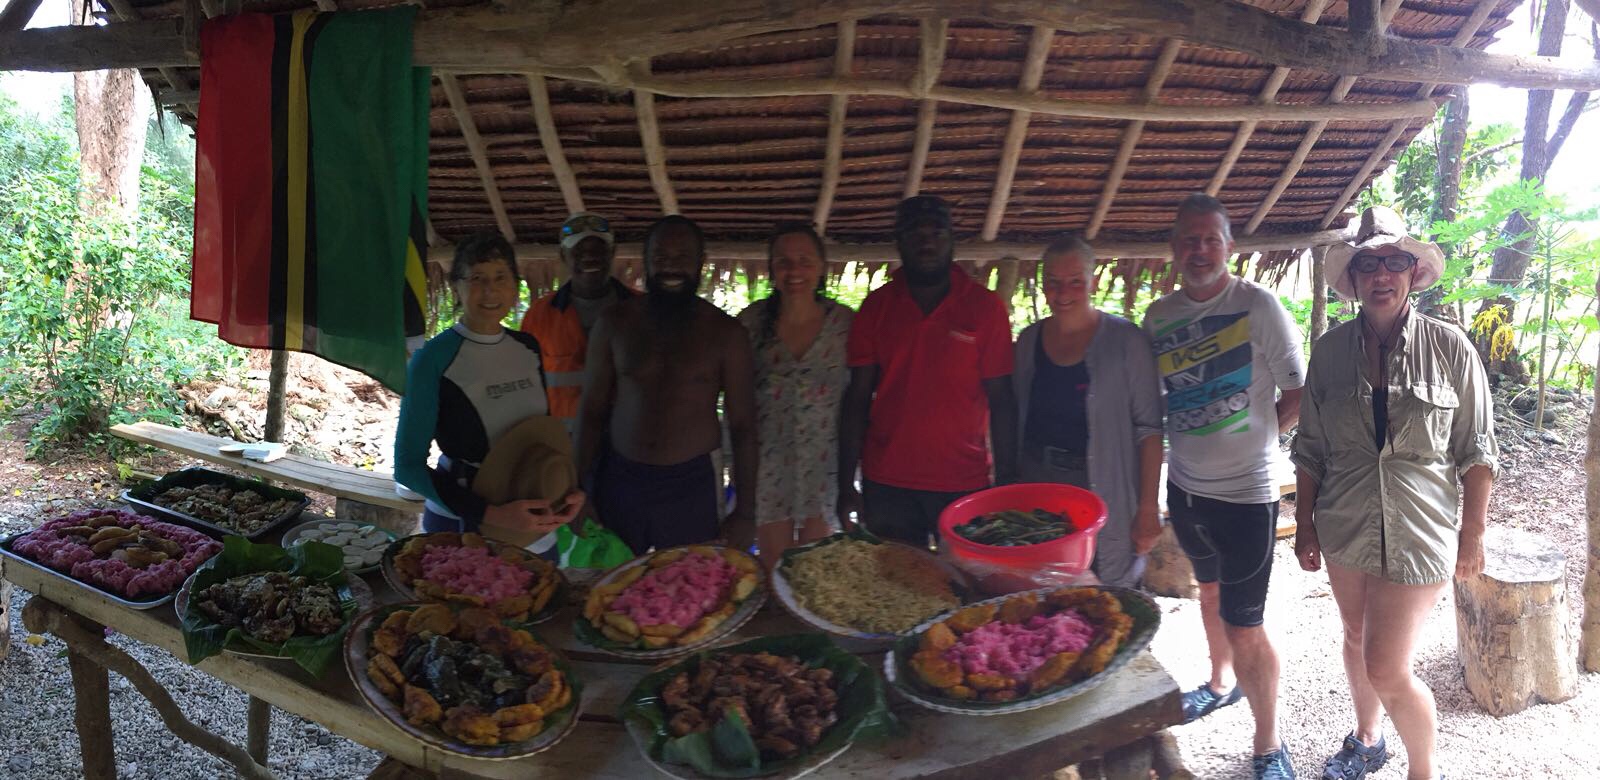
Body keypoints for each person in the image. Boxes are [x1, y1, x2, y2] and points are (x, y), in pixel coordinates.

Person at [1292, 206, 1496, 780]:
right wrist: (1304, 524)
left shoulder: (1451, 347)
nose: (1381, 274)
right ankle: (1368, 738)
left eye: (1395, 262)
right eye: (1368, 264)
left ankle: (1423, 770)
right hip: (1344, 523)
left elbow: (1478, 450)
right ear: (1353, 277)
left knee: (1386, 664)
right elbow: (1310, 448)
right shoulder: (1329, 352)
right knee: (1355, 635)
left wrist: (1473, 534)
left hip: (1421, 527)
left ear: (1413, 272)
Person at [1143, 193, 1304, 779]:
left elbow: (1298, 391)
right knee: (1208, 595)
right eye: (1189, 239)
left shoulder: (1259, 306)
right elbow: (1154, 404)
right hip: (1186, 491)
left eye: (1211, 239)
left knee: (1246, 623)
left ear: (1229, 247)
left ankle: (1269, 743)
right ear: (1174, 248)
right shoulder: (1158, 318)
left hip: (1246, 497)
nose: (1200, 250)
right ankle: (1219, 683)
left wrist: (1260, 442)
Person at [838, 195, 1018, 546]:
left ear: (952, 240)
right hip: (887, 483)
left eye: (937, 233)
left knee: (968, 579)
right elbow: (857, 398)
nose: (927, 243)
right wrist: (845, 486)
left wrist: (1007, 483)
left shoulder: (984, 308)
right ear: (899, 242)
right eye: (915, 235)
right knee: (894, 579)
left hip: (963, 480)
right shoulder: (876, 308)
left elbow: (1002, 400)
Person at [577, 215, 758, 554]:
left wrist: (746, 511)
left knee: (687, 581)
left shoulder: (726, 333)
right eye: (660, 257)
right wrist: (578, 489)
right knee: (615, 579)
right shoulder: (615, 323)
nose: (671, 267)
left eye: (682, 257)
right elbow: (591, 411)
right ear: (645, 261)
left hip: (692, 485)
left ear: (701, 262)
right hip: (620, 479)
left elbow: (744, 425)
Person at [394, 232, 583, 540]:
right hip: (463, 523)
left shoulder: (528, 347)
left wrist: (572, 490)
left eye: (500, 277)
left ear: (515, 286)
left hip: (537, 518)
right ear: (456, 286)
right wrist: (494, 515)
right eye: (477, 278)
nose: (490, 289)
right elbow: (407, 466)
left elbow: (542, 435)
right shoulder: (434, 358)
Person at [1012, 235, 1164, 587]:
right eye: (1054, 282)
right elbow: (1016, 414)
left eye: (1075, 282)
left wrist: (1147, 508)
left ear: (1092, 282)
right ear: (1042, 284)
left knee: (1106, 593)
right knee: (1040, 591)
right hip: (1039, 484)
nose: (1063, 292)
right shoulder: (1028, 341)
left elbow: (1150, 429)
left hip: (1103, 486)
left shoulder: (1127, 341)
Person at [736, 223, 855, 569]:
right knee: (774, 572)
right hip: (768, 469)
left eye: (805, 260)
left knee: (817, 577)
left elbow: (860, 399)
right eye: (783, 262)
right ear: (771, 269)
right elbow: (737, 400)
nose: (794, 271)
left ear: (821, 267)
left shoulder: (845, 324)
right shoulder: (750, 324)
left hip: (825, 470)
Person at [520, 212, 634, 438]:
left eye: (598, 250)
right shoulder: (539, 315)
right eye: (579, 251)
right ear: (563, 256)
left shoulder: (640, 309)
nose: (589, 257)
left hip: (627, 442)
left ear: (612, 252)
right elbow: (525, 388)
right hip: (563, 443)